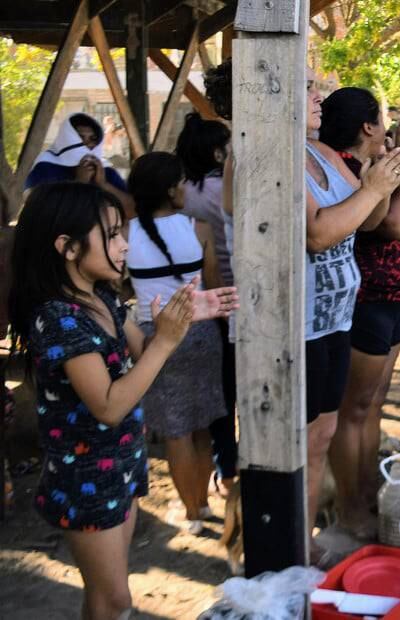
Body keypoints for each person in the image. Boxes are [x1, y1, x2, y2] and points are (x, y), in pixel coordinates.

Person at [7, 182, 235, 620]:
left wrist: (180, 320)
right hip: (86, 479)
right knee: (114, 599)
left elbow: (140, 352)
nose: (124, 244)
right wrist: (166, 343)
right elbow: (109, 406)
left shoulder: (101, 297)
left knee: (107, 594)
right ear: (68, 248)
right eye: (111, 235)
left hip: (121, 465)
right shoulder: (58, 318)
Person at [299, 77, 400, 565]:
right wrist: (379, 183)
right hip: (307, 322)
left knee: (324, 433)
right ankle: (315, 532)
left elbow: (369, 220)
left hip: (337, 316)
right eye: (308, 88)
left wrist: (398, 173)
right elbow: (320, 235)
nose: (317, 97)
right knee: (320, 431)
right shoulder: (286, 156)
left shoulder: (323, 157)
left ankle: (309, 543)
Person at [319, 87, 400, 534]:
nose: (387, 127)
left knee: (371, 404)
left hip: (390, 297)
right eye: (381, 119)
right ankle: (350, 506)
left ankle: (364, 495)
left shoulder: (380, 163)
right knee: (353, 408)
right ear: (367, 127)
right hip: (366, 299)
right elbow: (394, 224)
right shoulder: (352, 168)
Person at [125, 152, 229, 534]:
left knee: (176, 430)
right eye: (182, 182)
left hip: (157, 339)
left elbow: (120, 284)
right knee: (202, 424)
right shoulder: (198, 228)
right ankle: (201, 501)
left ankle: (192, 512)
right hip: (201, 331)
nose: (186, 188)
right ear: (170, 190)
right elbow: (214, 285)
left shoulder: (124, 234)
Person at [175, 112, 239, 497]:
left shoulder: (182, 192)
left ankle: (224, 467)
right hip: (234, 297)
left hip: (197, 305)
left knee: (218, 395)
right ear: (218, 154)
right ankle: (238, 473)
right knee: (236, 386)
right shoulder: (225, 190)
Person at [24, 113, 136, 218]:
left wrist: (103, 184)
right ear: (67, 139)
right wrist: (80, 182)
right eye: (80, 138)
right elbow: (37, 211)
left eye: (92, 139)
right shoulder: (46, 167)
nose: (88, 145)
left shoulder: (104, 171)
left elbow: (132, 211)